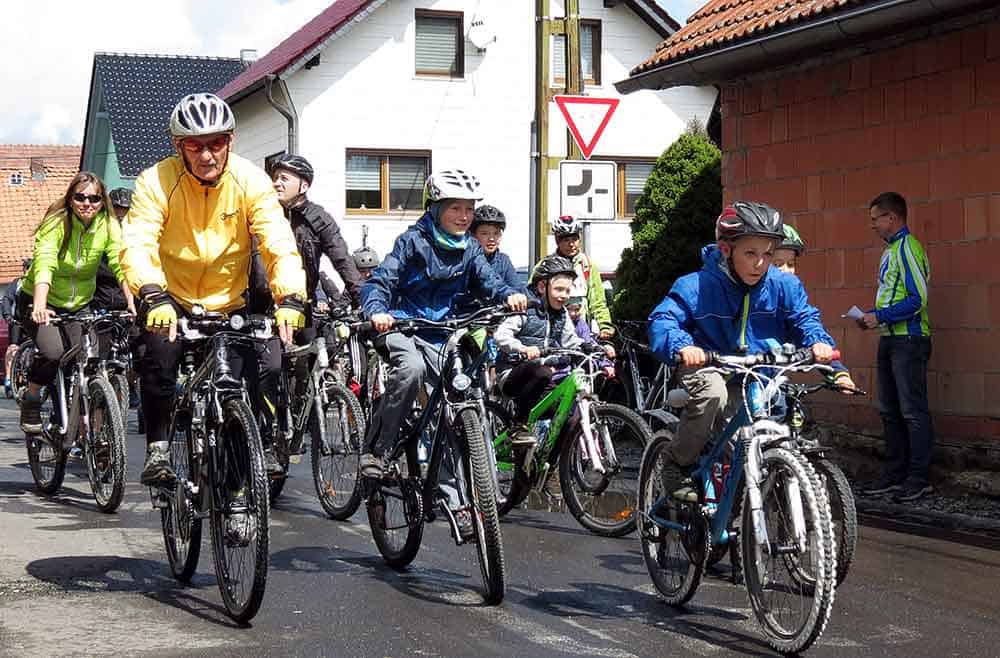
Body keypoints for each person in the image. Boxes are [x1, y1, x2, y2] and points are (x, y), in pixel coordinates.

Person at [121, 92, 307, 486]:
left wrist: (289, 296)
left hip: (228, 303)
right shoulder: (156, 181)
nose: (207, 155)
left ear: (231, 142)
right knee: (160, 355)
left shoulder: (250, 180)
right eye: (195, 145)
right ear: (179, 147)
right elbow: (137, 242)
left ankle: (240, 490)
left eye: (217, 143)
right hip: (170, 299)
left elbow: (277, 240)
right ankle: (158, 450)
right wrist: (152, 292)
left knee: (253, 376)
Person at [359, 169, 527, 518]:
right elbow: (381, 281)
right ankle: (378, 449)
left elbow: (490, 282)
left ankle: (457, 502)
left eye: (469, 209)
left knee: (453, 409)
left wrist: (511, 294)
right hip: (403, 325)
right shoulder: (412, 241)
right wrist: (377, 310)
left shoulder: (470, 249)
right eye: (456, 209)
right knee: (412, 369)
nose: (465, 217)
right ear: (435, 209)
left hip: (442, 333)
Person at [647, 201, 838, 496]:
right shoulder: (696, 286)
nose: (760, 263)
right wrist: (683, 346)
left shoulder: (783, 285)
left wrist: (821, 347)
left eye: (767, 254)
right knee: (713, 394)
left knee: (769, 429)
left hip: (757, 372)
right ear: (726, 250)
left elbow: (805, 319)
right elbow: (664, 320)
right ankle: (677, 463)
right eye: (750, 253)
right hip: (708, 365)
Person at [16, 172, 133, 433]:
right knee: (54, 352)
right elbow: (45, 262)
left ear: (103, 201)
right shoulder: (57, 222)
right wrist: (40, 304)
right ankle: (32, 395)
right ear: (70, 199)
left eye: (94, 198)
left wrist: (131, 299)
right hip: (41, 300)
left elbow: (119, 263)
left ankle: (83, 426)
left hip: (79, 303)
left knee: (88, 357)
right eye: (80, 197)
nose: (87, 204)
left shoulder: (108, 224)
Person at [858, 192, 933, 502]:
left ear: (892, 218)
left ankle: (918, 478)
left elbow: (918, 299)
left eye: (876, 219)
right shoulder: (890, 251)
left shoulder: (908, 248)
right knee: (889, 410)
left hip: (909, 340)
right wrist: (873, 319)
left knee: (912, 411)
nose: (873, 225)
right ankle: (895, 473)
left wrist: (880, 316)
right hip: (890, 338)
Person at [494, 256, 615, 427]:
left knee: (564, 413)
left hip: (542, 381)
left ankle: (550, 452)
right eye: (559, 289)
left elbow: (571, 341)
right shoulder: (526, 310)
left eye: (567, 290)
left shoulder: (562, 314)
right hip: (513, 374)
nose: (564, 296)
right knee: (541, 371)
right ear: (543, 287)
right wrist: (523, 348)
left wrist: (595, 348)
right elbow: (501, 336)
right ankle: (518, 423)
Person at [547, 215, 614, 339]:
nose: (571, 244)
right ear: (557, 241)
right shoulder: (547, 265)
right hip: (554, 329)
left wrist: (604, 326)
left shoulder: (587, 265)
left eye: (575, 239)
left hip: (582, 330)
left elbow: (598, 301)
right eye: (566, 240)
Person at [471, 204, 523, 291]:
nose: (491, 239)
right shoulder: (466, 259)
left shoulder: (503, 261)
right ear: (473, 235)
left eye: (496, 233)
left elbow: (518, 288)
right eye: (484, 233)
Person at [2, 259, 31, 395]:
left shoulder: (40, 282)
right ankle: (8, 378)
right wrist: (8, 315)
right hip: (17, 321)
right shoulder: (17, 283)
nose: (29, 270)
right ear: (24, 269)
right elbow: (7, 299)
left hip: (34, 321)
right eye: (27, 268)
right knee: (13, 348)